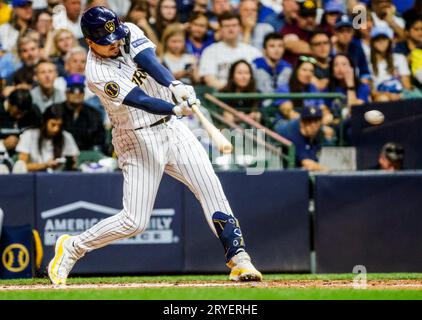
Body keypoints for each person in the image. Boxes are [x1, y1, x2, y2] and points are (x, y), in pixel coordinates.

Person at [47, 6, 262, 285]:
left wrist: (174, 84)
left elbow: (148, 60)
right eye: (106, 42)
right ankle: (73, 247)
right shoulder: (96, 72)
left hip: (173, 132)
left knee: (211, 189)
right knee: (134, 222)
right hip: (136, 139)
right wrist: (174, 108)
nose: (115, 44)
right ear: (90, 42)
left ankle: (239, 259)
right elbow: (140, 99)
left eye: (116, 38)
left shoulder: (127, 32)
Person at [199, 11, 262, 90]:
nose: (231, 29)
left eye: (234, 25)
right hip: (221, 97)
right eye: (226, 26)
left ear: (240, 28)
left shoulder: (254, 52)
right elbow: (210, 81)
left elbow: (260, 79)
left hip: (249, 98)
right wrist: (233, 91)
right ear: (220, 29)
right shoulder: (210, 51)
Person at [47, 74, 105, 152]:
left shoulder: (94, 114)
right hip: (58, 153)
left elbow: (99, 142)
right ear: (66, 93)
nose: (77, 94)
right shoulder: (54, 110)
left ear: (84, 93)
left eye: (80, 90)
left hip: (86, 156)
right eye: (72, 90)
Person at [16, 104, 79, 172]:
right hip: (33, 178)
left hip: (60, 178)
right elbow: (22, 167)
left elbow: (74, 165)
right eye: (53, 124)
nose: (56, 129)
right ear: (45, 122)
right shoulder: (29, 135)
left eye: (59, 125)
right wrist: (45, 165)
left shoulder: (67, 137)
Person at [276, 105, 329, 172]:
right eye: (309, 121)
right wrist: (327, 170)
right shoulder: (293, 135)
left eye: (316, 121)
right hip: (289, 176)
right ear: (302, 123)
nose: (313, 125)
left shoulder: (318, 135)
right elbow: (307, 164)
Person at [369, 26, 411, 101]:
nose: (381, 42)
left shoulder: (400, 58)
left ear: (389, 41)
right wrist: (388, 95)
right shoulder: (368, 64)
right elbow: (372, 91)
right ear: (372, 43)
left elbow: (406, 85)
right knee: (383, 99)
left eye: (384, 39)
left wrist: (399, 95)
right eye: (377, 40)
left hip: (401, 94)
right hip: (381, 96)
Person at [0, 88, 41, 156]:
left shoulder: (33, 113)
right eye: (17, 113)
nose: (19, 116)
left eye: (23, 113)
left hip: (27, 154)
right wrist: (2, 143)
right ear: (9, 103)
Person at [332, 14, 372, 83]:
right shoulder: (330, 49)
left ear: (353, 32)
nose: (345, 34)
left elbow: (365, 72)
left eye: (348, 31)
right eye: (341, 31)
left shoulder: (357, 48)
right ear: (335, 33)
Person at [280, 0, 318, 65]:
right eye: (305, 15)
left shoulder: (318, 30)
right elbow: (291, 44)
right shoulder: (289, 29)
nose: (310, 19)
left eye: (312, 15)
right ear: (297, 15)